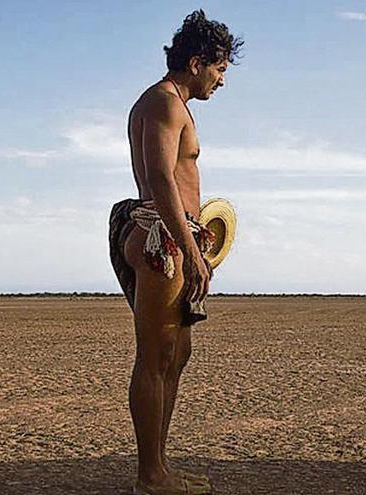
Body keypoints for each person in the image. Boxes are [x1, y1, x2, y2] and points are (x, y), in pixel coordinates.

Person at [108, 10, 242, 495]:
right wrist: (191, 249)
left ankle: (160, 468)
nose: (221, 80)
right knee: (155, 356)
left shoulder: (169, 104)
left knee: (175, 354)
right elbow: (163, 178)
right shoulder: (165, 103)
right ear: (196, 61)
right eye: (220, 68)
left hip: (171, 234)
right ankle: (150, 476)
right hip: (162, 239)